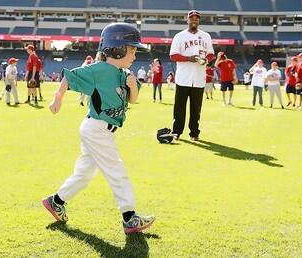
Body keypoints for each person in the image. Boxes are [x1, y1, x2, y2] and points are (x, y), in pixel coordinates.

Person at [42, 22, 155, 234]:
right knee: (116, 170)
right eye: (131, 50)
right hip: (97, 129)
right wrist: (58, 98)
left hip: (101, 130)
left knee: (84, 174)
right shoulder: (99, 70)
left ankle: (56, 201)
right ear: (117, 49)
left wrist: (132, 86)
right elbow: (69, 76)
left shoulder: (125, 73)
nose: (134, 54)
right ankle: (129, 217)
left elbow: (133, 100)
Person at [169, 10, 215, 141]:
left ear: (198, 20)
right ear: (187, 20)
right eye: (192, 18)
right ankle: (177, 131)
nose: (194, 20)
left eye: (196, 18)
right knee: (179, 107)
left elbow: (211, 53)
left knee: (196, 108)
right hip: (183, 77)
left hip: (199, 77)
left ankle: (194, 133)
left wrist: (207, 59)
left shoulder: (206, 36)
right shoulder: (180, 36)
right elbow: (173, 55)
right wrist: (189, 58)